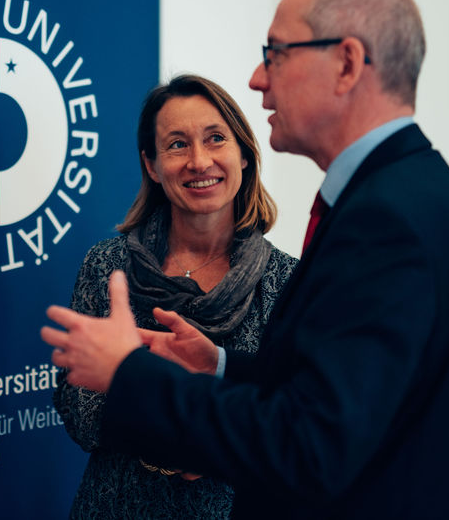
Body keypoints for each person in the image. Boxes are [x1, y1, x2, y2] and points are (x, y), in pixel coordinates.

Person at [41, 0, 449, 519]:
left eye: (276, 53)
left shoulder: (386, 223)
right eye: (177, 145)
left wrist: (129, 374)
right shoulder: (413, 193)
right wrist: (220, 366)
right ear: (152, 166)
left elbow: (309, 444)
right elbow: (340, 395)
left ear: (347, 63)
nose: (258, 78)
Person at [54, 75, 297, 518]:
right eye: (177, 145)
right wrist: (185, 436)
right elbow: (77, 408)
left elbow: (291, 415)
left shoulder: (286, 280)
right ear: (152, 165)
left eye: (215, 139)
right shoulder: (106, 265)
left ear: (243, 153)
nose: (199, 161)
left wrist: (187, 430)